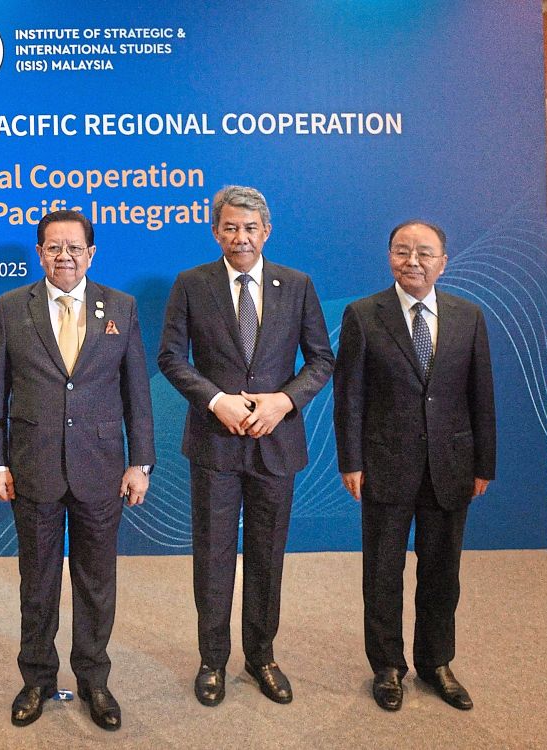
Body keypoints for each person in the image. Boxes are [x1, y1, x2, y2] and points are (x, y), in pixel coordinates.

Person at [157, 185, 333, 707]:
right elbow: (170, 357)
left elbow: (321, 360)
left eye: (250, 227)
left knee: (266, 557)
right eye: (230, 227)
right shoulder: (191, 284)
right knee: (212, 557)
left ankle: (262, 657)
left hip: (276, 444)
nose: (240, 237)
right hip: (215, 443)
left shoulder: (297, 285)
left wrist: (283, 401)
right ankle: (212, 660)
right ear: (215, 232)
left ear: (267, 231)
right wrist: (216, 401)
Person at [0, 209, 154, 731]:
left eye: (74, 248)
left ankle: (94, 680)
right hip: (33, 468)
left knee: (96, 582)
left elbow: (137, 393)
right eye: (54, 248)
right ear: (39, 254)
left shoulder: (119, 306)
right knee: (37, 581)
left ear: (91, 253)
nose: (64, 257)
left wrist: (139, 462)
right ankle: (35, 678)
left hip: (101, 468)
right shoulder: (13, 308)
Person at [333, 219, 496, 712]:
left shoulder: (468, 316)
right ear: (389, 258)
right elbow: (350, 398)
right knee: (382, 571)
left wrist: (483, 463)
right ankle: (387, 666)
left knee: (443, 572)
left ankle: (436, 662)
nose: (413, 261)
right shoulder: (363, 315)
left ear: (443, 262)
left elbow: (480, 396)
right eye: (403, 251)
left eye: (425, 253)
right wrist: (351, 460)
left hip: (451, 464)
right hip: (385, 463)